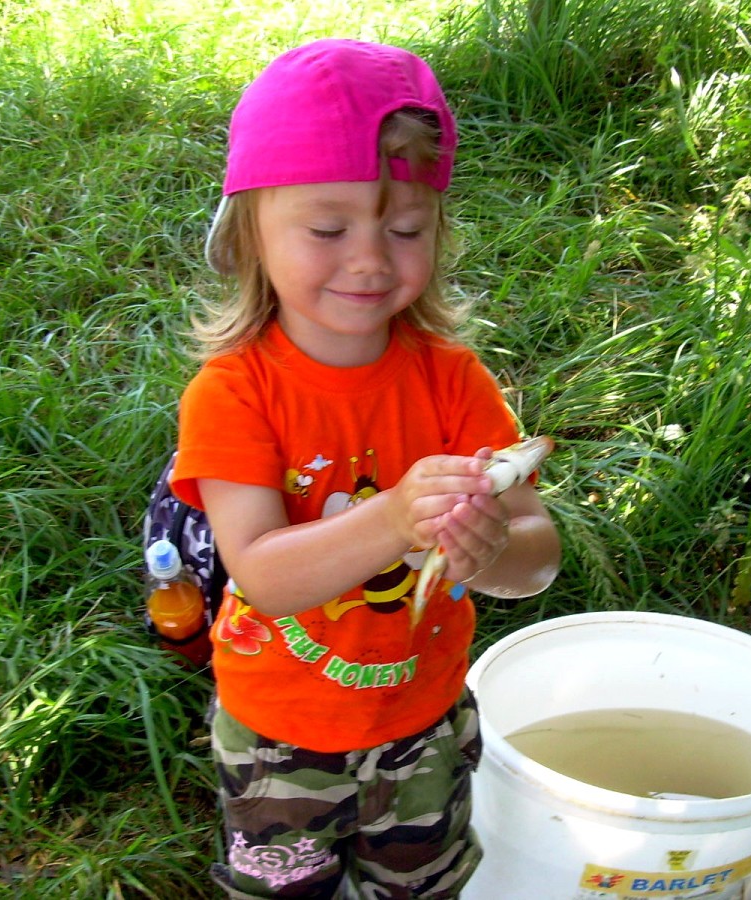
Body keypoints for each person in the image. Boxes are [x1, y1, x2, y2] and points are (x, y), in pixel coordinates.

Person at [169, 38, 561, 899]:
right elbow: (264, 574)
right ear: (248, 237)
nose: (371, 258)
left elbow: (539, 553)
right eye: (326, 227)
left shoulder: (453, 380)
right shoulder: (235, 392)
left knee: (420, 886)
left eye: (406, 227)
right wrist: (391, 520)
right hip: (280, 736)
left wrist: (488, 546)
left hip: (424, 723)